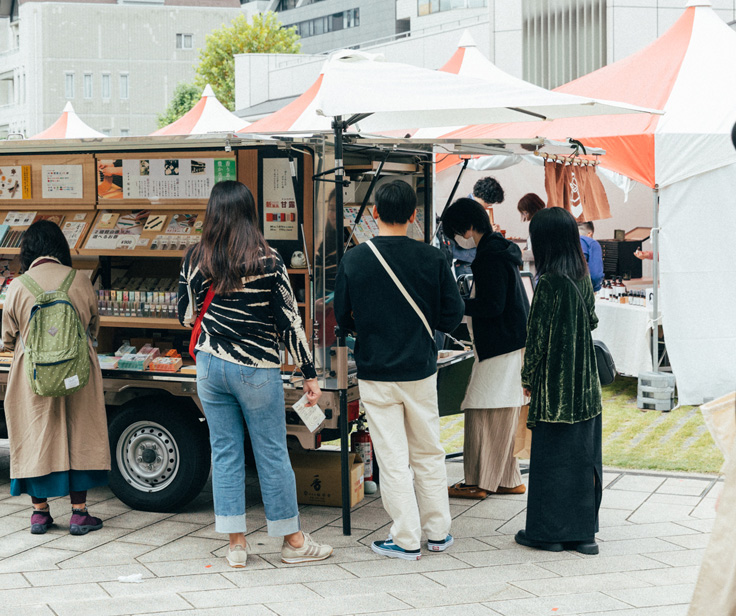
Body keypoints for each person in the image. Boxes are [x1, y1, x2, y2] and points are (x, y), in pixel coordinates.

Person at [178, 181, 332, 569]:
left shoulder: (196, 258)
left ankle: (236, 545)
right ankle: (293, 542)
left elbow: (184, 315)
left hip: (211, 366)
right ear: (250, 212)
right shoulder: (268, 259)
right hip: (256, 368)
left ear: (213, 212)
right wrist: (309, 374)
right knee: (271, 453)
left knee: (225, 451)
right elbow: (289, 321)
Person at [332, 180, 465, 560]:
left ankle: (405, 538)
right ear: (413, 216)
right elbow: (453, 315)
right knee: (428, 452)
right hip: (421, 369)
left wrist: (369, 328)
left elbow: (342, 316)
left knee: (392, 457)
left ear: (374, 214)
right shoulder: (434, 258)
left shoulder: (354, 260)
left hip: (376, 371)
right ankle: (438, 532)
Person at [2, 220, 110, 536]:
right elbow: (93, 326)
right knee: (80, 432)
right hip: (77, 371)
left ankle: (39, 513)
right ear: (60, 248)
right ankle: (79, 513)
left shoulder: (18, 286)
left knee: (35, 433)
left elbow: (9, 338)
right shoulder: (80, 280)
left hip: (32, 373)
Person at [518, 206, 603, 555]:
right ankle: (584, 536)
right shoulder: (581, 276)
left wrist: (527, 379)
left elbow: (535, 341)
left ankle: (548, 533)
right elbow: (593, 320)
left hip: (555, 389)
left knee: (551, 461)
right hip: (586, 387)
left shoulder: (548, 282)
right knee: (584, 459)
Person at [441, 199, 528, 501]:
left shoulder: (488, 256)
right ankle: (507, 477)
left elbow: (492, 305)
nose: (455, 241)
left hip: (499, 345)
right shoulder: (500, 249)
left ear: (467, 227)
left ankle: (478, 481)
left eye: (454, 233)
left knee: (481, 411)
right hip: (510, 342)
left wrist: (457, 305)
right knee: (501, 410)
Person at [451, 176, 506, 275]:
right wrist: (488, 233)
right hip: (467, 262)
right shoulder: (464, 208)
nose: (490, 205)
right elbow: (461, 240)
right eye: (489, 202)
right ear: (482, 195)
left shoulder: (473, 208)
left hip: (473, 260)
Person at [578, 221, 604, 292]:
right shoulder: (591, 243)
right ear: (590, 233)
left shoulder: (565, 241)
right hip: (581, 289)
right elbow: (595, 275)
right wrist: (595, 289)